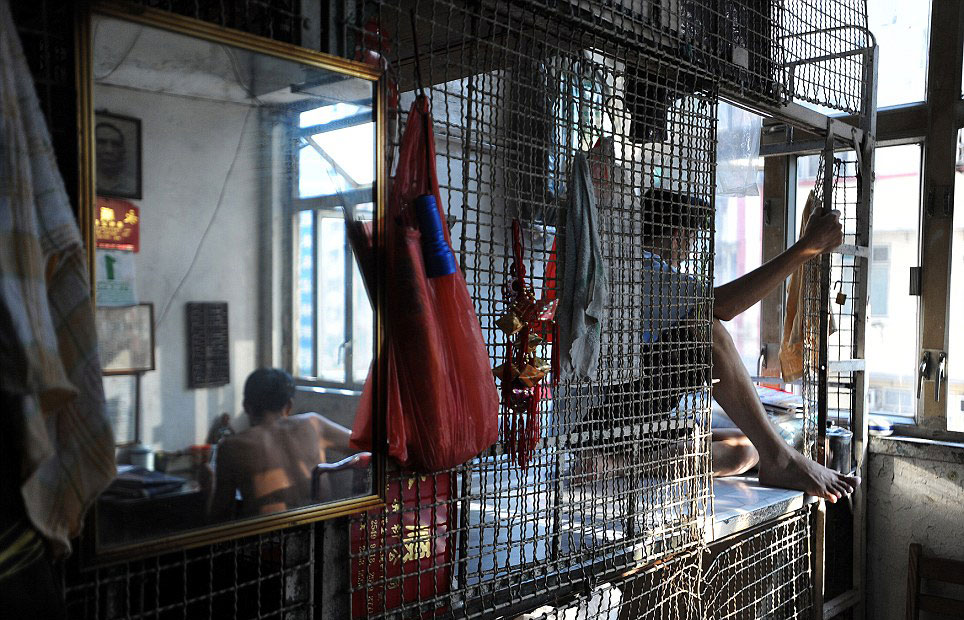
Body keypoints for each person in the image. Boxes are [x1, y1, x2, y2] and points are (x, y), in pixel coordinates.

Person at [640, 188, 859, 503]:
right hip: (616, 413)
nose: (687, 251)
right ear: (678, 237)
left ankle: (624, 462)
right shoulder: (643, 269)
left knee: (746, 449)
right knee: (705, 327)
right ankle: (781, 458)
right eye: (690, 240)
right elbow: (723, 306)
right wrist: (806, 248)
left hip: (649, 422)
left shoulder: (656, 282)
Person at [206, 368, 353, 521]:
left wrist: (209, 484)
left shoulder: (230, 447)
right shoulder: (314, 424)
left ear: (246, 406)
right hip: (323, 529)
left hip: (272, 534)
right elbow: (364, 444)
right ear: (289, 406)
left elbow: (219, 518)